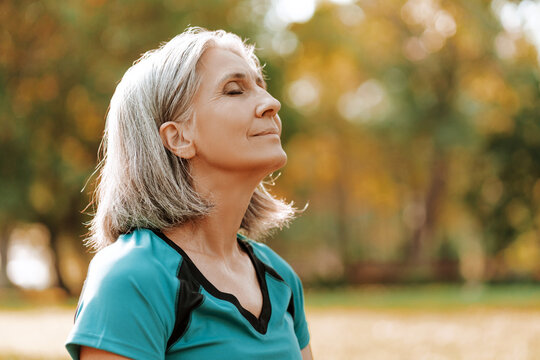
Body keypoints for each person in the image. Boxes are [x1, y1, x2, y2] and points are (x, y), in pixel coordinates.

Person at [65, 27, 313, 360]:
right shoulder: (131, 277)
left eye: (261, 86)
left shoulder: (280, 276)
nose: (271, 103)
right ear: (179, 137)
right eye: (235, 90)